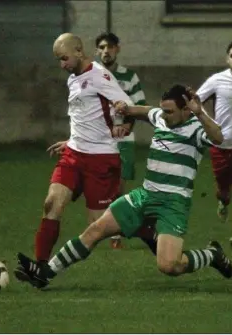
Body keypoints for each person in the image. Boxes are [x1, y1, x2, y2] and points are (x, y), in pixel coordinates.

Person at [14, 85, 232, 289]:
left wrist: (201, 113)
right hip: (145, 196)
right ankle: (46, 274)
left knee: (169, 266)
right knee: (95, 230)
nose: (164, 115)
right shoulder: (161, 117)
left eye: (170, 111)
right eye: (163, 110)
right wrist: (125, 108)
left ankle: (212, 255)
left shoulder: (196, 129)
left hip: (173, 204)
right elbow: (145, 111)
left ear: (186, 110)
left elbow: (219, 137)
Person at [14, 33, 135, 281]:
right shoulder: (73, 79)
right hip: (73, 155)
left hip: (100, 159)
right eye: (59, 60)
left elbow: (127, 105)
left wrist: (126, 125)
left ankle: (148, 231)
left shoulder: (100, 76)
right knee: (51, 203)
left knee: (99, 226)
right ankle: (40, 266)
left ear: (79, 52)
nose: (62, 64)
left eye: (64, 58)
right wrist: (71, 141)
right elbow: (85, 117)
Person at [95, 32, 146, 249]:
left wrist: (128, 125)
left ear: (117, 49)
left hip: (124, 138)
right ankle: (110, 232)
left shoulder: (129, 77)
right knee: (102, 186)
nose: (106, 51)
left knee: (119, 186)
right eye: (102, 47)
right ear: (98, 51)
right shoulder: (92, 75)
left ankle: (115, 230)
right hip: (98, 139)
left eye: (110, 47)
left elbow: (140, 104)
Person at [197, 39, 232, 248]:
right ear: (227, 58)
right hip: (221, 148)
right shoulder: (217, 80)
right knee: (224, 191)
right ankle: (223, 201)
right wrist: (209, 123)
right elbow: (195, 100)